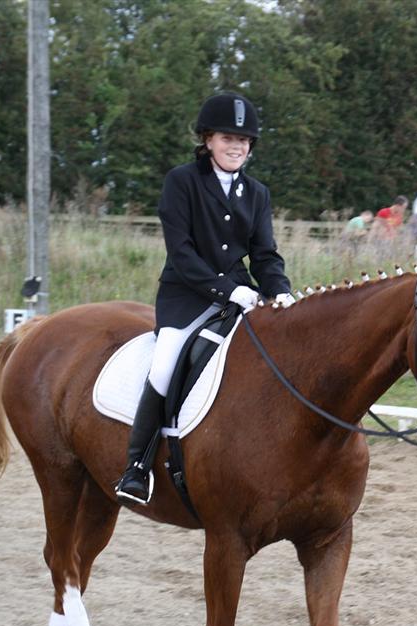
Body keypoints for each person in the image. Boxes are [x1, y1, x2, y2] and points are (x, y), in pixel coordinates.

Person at [114, 92, 295, 505]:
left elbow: (265, 255)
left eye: (244, 140)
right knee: (164, 364)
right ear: (208, 139)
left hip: (242, 297)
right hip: (186, 297)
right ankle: (136, 468)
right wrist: (230, 290)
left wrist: (281, 292)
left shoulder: (257, 193)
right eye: (228, 138)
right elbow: (182, 253)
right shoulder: (182, 181)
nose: (237, 146)